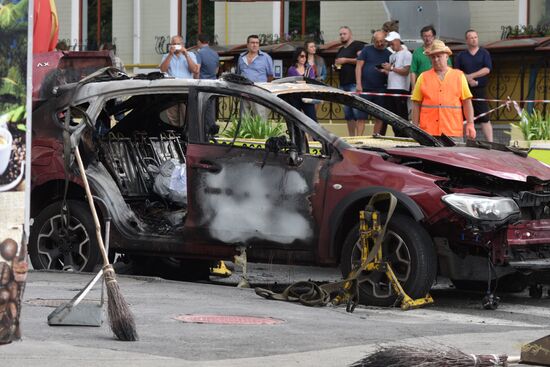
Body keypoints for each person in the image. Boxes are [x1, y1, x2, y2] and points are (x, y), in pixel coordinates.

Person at [411, 40, 476, 142]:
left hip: (452, 132)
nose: (436, 59)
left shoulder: (459, 76)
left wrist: (470, 124)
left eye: (439, 56)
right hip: (428, 132)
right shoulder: (423, 77)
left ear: (446, 56)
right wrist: (414, 127)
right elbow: (416, 104)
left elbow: (467, 102)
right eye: (433, 57)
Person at [454, 29, 493, 142]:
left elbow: (487, 69)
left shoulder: (484, 53)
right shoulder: (461, 55)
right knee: (464, 116)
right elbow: (456, 71)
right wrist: (466, 78)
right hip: (464, 90)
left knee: (484, 117)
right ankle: (465, 140)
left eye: (475, 37)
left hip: (480, 88)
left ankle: (490, 142)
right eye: (471, 37)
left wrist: (471, 76)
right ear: (467, 40)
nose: (474, 39)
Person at [356, 30, 392, 135]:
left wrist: (386, 71)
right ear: (373, 41)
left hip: (381, 89)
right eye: (377, 41)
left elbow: (391, 71)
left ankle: (375, 138)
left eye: (381, 41)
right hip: (365, 88)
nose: (380, 43)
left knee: (379, 116)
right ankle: (359, 138)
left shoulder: (389, 54)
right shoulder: (366, 50)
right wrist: (358, 84)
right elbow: (358, 66)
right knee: (361, 116)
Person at [159, 35, 199, 127]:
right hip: (171, 90)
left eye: (178, 44)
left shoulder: (191, 55)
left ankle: (186, 136)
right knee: (172, 116)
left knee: (186, 115)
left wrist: (186, 55)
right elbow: (162, 70)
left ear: (182, 44)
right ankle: (175, 136)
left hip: (185, 90)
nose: (176, 46)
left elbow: (195, 70)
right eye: (174, 44)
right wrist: (170, 55)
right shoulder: (166, 56)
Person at [380, 31, 412, 137]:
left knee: (401, 115)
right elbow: (394, 71)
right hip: (391, 87)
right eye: (389, 43)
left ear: (398, 41)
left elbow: (406, 71)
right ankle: (396, 135)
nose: (391, 45)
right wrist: (386, 71)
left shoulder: (407, 54)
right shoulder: (392, 56)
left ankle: (404, 136)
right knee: (391, 115)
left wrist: (391, 68)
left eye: (392, 43)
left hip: (401, 88)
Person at [335, 26, 365, 136]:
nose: (342, 36)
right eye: (340, 34)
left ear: (350, 34)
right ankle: (351, 137)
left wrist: (345, 60)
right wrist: (336, 65)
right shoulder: (341, 50)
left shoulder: (357, 45)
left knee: (357, 112)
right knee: (348, 114)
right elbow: (339, 64)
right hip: (343, 84)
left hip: (354, 83)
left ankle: (359, 137)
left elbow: (361, 60)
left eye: (344, 34)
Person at [237, 35, 274, 119]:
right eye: (252, 43)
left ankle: (261, 133)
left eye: (257, 43)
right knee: (244, 119)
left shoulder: (266, 57)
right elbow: (239, 74)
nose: (255, 45)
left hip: (259, 92)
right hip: (244, 92)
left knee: (260, 118)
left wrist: (263, 88)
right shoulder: (241, 57)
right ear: (247, 45)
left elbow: (270, 76)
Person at [410, 25, 451, 89]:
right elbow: (413, 71)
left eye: (429, 36)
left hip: (440, 84)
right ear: (421, 37)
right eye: (425, 36)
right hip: (422, 85)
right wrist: (413, 88)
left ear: (434, 36)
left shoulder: (442, 51)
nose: (427, 38)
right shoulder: (417, 52)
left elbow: (449, 67)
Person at [287, 47, 317, 122]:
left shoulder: (309, 69)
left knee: (312, 119)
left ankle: (312, 134)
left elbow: (312, 82)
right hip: (295, 97)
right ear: (297, 57)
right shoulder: (292, 69)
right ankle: (301, 134)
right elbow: (292, 83)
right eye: (302, 56)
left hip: (307, 96)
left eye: (305, 56)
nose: (304, 58)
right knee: (297, 120)